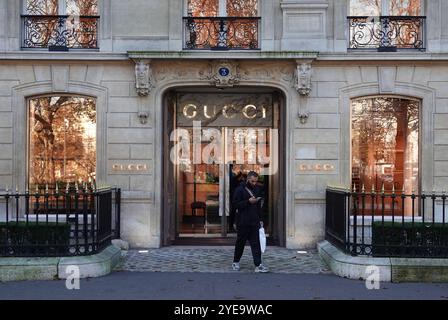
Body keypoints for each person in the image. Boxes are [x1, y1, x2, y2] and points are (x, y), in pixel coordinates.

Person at [231, 171, 269, 273]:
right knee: (240, 243)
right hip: (243, 221)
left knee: (256, 244)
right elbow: (235, 205)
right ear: (247, 179)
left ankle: (258, 265)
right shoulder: (239, 190)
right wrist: (248, 202)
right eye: (252, 181)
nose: (254, 183)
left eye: (256, 181)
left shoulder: (257, 189)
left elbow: (258, 207)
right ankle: (235, 262)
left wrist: (261, 219)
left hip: (254, 221)